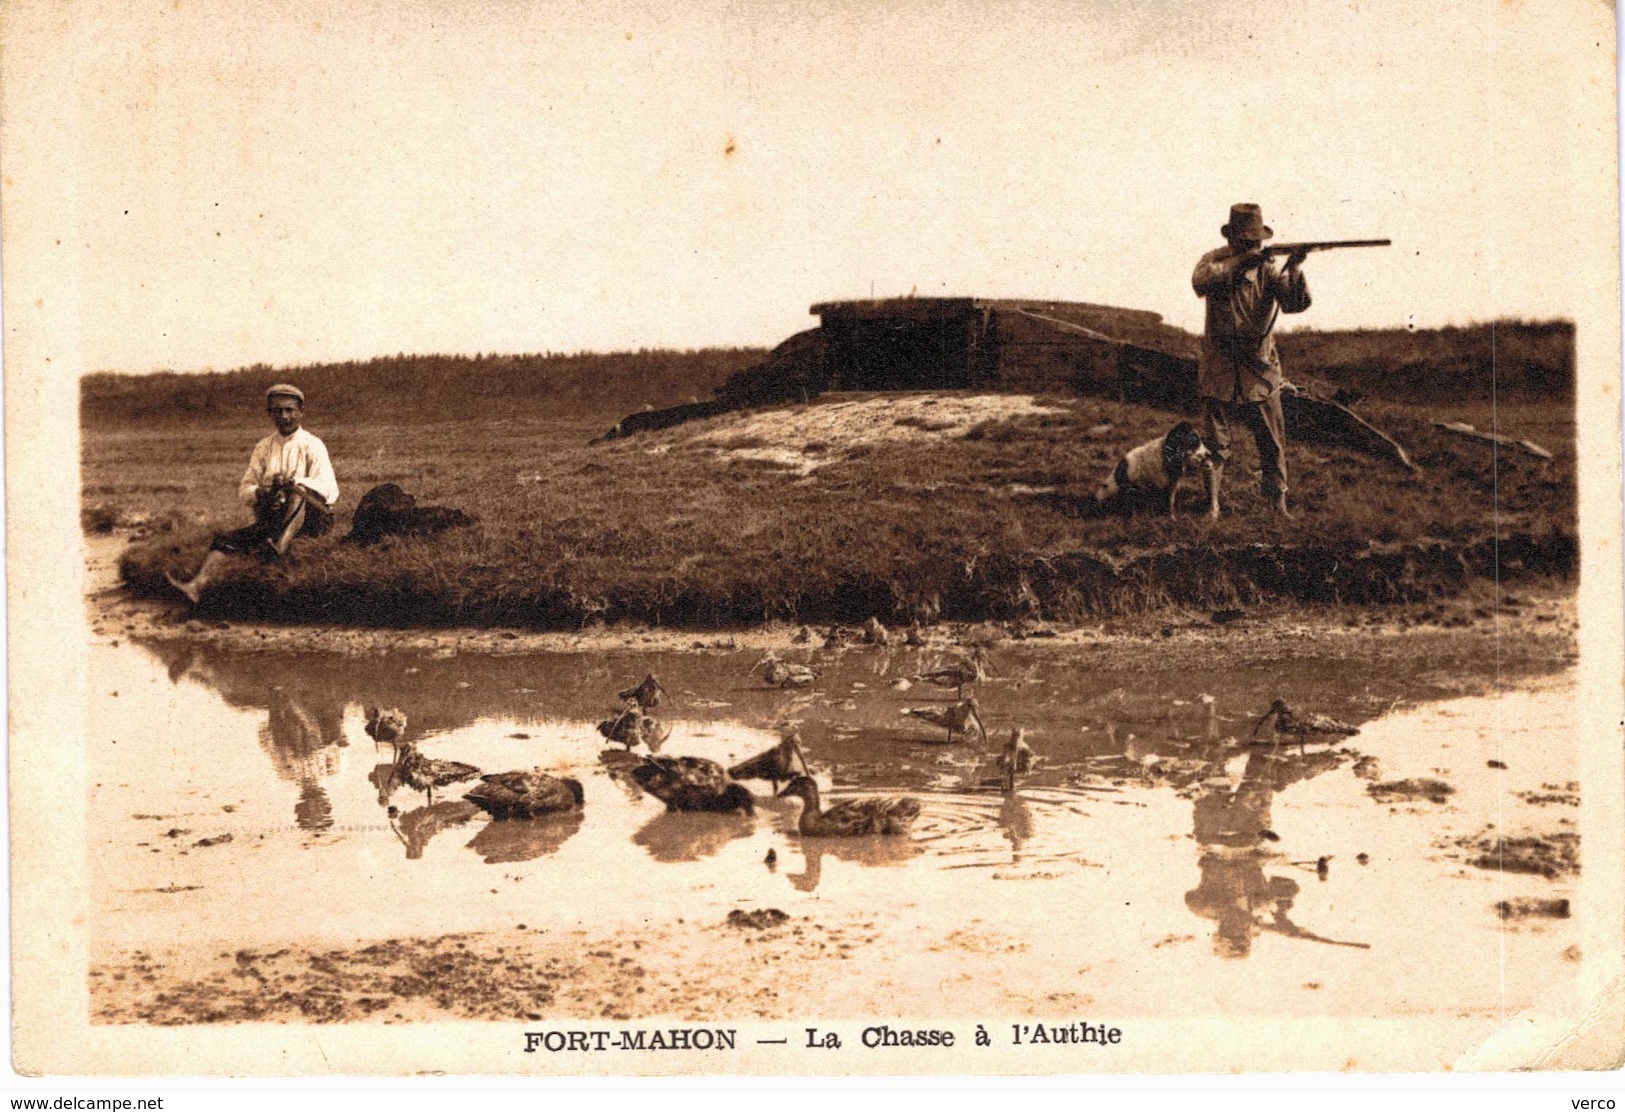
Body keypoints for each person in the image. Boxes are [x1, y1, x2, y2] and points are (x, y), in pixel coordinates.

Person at [167, 384, 339, 604]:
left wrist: (294, 484)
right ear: (269, 413)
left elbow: (329, 489)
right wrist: (262, 492)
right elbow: (245, 488)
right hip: (274, 519)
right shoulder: (263, 447)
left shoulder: (313, 445)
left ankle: (278, 549)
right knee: (225, 541)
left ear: (301, 412)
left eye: (289, 410)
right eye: (277, 411)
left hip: (312, 520)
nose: (283, 416)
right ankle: (196, 585)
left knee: (300, 491)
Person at [1191, 203, 1312, 518]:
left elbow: (1294, 305)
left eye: (1254, 242)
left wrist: (1295, 267)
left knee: (1272, 442)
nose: (1251, 246)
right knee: (1215, 443)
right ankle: (1212, 505)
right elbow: (1201, 281)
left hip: (1258, 369)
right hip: (1219, 366)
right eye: (1245, 242)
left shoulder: (1268, 270)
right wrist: (1244, 260)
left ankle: (1278, 504)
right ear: (1232, 239)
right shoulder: (1214, 261)